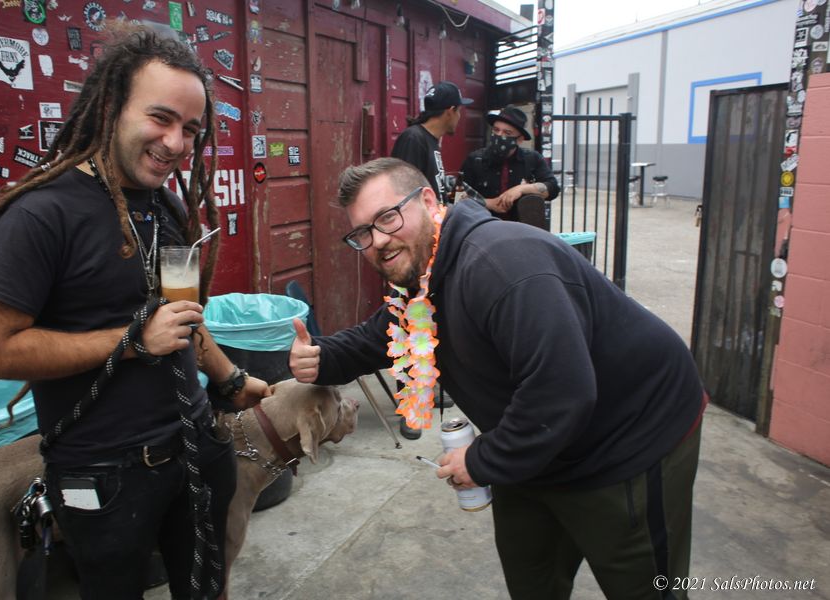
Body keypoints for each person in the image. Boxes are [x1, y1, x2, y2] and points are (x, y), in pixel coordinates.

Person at [289, 157, 706, 600]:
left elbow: (561, 391)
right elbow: (385, 332)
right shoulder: (425, 275)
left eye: (387, 217)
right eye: (362, 233)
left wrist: (482, 461)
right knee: (532, 582)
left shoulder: (502, 264)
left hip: (628, 439)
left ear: (428, 201)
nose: (377, 241)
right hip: (534, 444)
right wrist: (322, 357)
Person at [0, 24, 268, 599]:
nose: (176, 142)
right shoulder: (41, 214)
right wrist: (131, 341)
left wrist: (231, 379)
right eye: (161, 118)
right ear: (111, 107)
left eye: (190, 129)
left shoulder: (167, 205)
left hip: (196, 448)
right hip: (102, 477)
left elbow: (181, 319)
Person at [460, 105, 560, 223]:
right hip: (483, 226)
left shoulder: (532, 159)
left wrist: (521, 189)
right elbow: (459, 198)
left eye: (507, 133)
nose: (499, 136)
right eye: (496, 130)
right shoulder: (475, 159)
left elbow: (553, 188)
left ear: (520, 139)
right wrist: (489, 203)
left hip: (521, 228)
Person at [391, 80, 473, 203]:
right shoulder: (413, 138)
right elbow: (405, 192)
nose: (459, 116)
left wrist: (454, 200)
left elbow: (434, 189)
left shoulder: (431, 140)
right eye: (459, 111)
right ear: (450, 111)